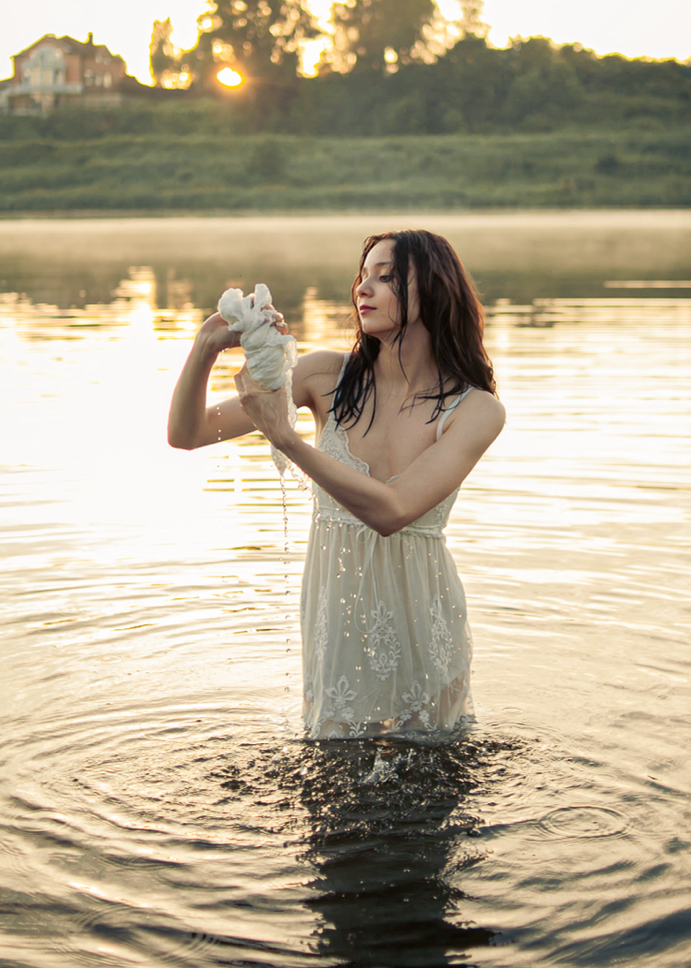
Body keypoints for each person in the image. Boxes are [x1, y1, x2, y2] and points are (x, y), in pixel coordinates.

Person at [167, 229, 506, 739]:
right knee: (335, 773)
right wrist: (205, 348)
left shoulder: (476, 410)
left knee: (433, 783)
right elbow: (187, 433)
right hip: (338, 618)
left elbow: (392, 512)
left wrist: (287, 439)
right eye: (362, 276)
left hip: (423, 619)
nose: (363, 289)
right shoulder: (325, 377)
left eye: (386, 277)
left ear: (433, 289)